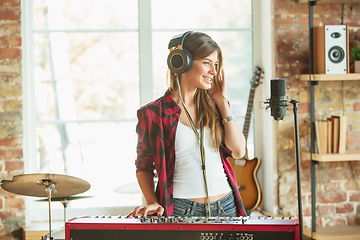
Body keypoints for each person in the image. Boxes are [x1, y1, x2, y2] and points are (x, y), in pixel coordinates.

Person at [129, 31, 247, 218]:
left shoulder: (218, 107)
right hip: (180, 208)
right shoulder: (153, 113)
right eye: (207, 63)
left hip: (226, 205)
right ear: (182, 61)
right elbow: (144, 166)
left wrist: (222, 101)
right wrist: (152, 201)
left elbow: (239, 152)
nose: (214, 72)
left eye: (216, 65)